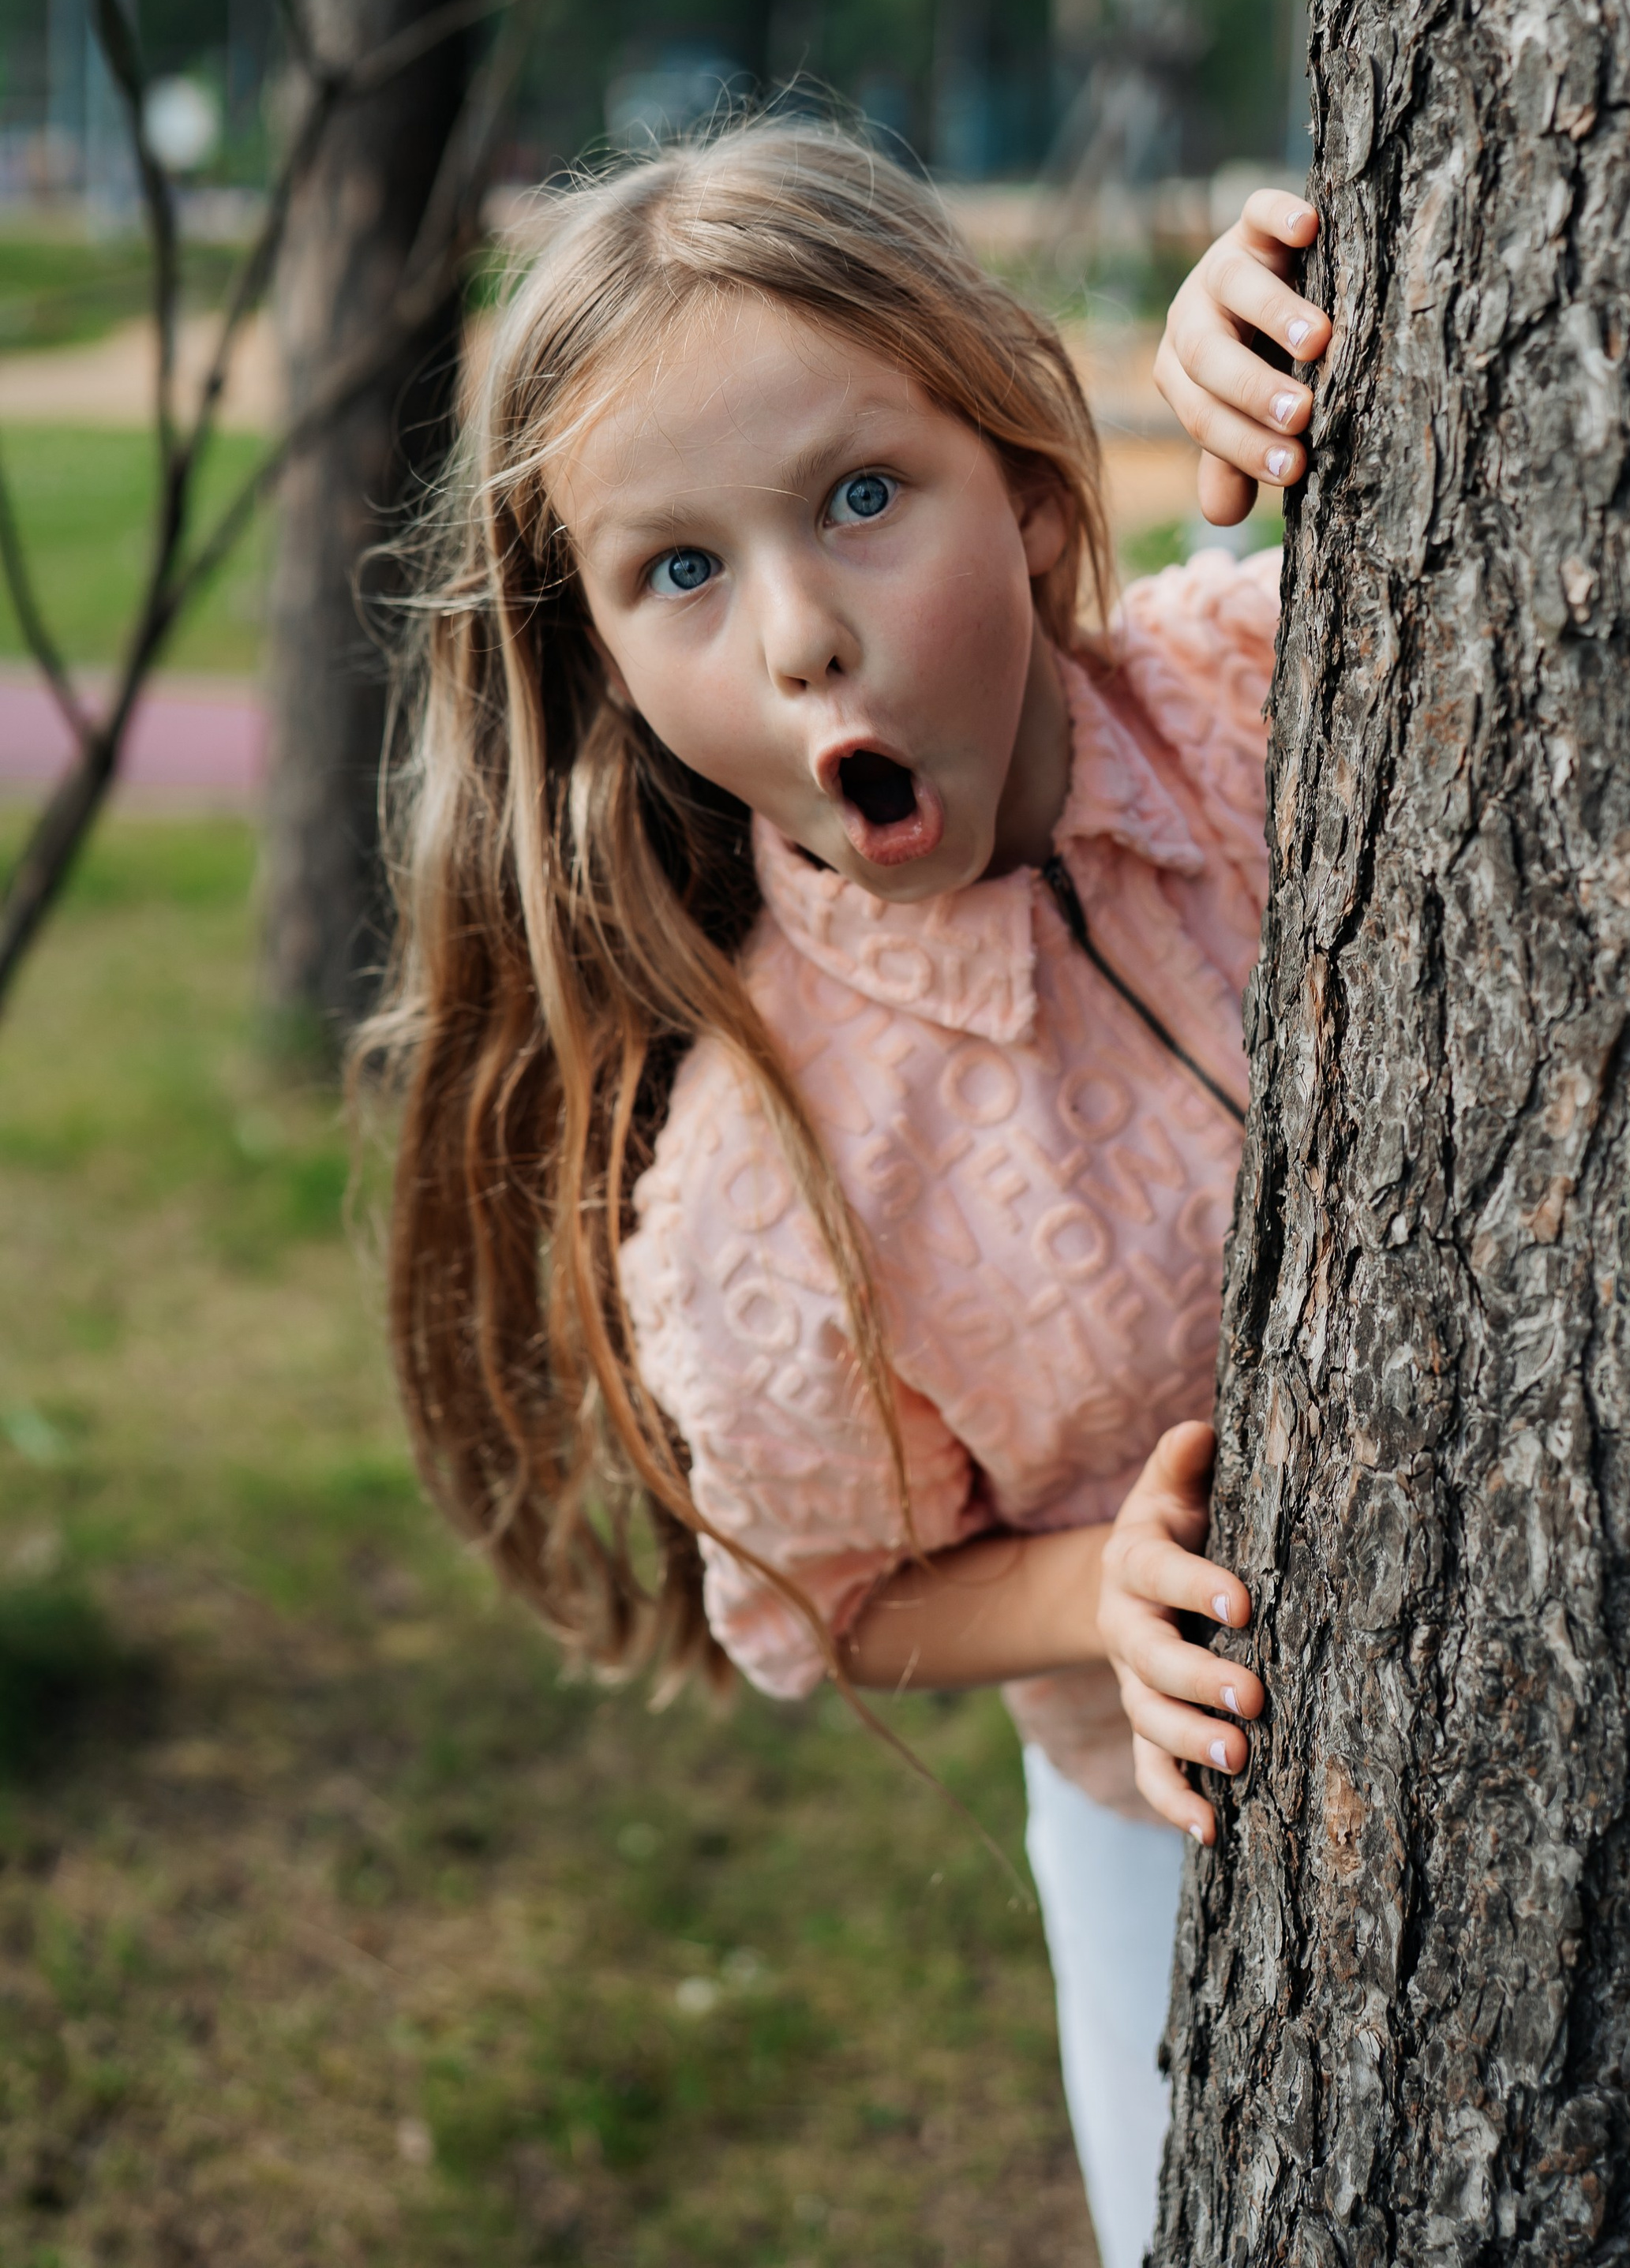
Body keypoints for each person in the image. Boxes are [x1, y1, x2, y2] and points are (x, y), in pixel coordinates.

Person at [372, 119, 1328, 2268]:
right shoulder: (771, 1175)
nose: (801, 636)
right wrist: (1087, 1597)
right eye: (677, 570)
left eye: (866, 500)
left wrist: (1272, 323)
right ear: (602, 650)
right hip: (1184, 1832)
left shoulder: (1268, 701)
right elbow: (823, 1592)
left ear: (1034, 486)